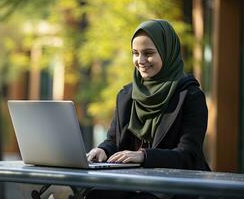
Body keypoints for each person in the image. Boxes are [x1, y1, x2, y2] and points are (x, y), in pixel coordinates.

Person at [86, 19, 210, 199]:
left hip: (174, 188)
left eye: (148, 53)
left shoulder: (190, 96)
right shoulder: (126, 95)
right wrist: (103, 150)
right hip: (132, 183)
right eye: (135, 53)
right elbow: (114, 141)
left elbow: (188, 156)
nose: (140, 60)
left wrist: (144, 156)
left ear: (167, 52)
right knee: (95, 195)